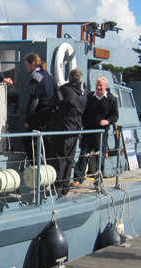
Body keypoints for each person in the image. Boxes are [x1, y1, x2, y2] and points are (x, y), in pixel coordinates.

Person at [72, 76, 118, 188]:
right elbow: (83, 114)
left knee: (100, 158)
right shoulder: (89, 97)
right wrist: (79, 129)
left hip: (101, 134)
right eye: (97, 85)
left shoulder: (112, 99)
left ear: (106, 86)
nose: (98, 87)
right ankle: (78, 180)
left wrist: (108, 121)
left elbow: (115, 116)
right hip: (88, 131)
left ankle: (98, 180)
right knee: (83, 156)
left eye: (100, 85)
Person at [47, 69, 87, 197]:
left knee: (58, 160)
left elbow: (51, 102)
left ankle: (56, 190)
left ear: (69, 79)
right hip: (75, 130)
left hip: (62, 129)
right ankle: (64, 189)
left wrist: (58, 108)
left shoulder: (65, 90)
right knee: (69, 160)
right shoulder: (84, 92)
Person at [22, 52, 58, 163]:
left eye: (26, 65)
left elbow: (34, 100)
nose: (26, 67)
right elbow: (57, 91)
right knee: (46, 141)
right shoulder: (49, 76)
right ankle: (49, 168)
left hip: (40, 114)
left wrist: (28, 118)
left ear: (33, 64)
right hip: (50, 114)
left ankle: (36, 166)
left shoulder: (36, 78)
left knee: (29, 139)